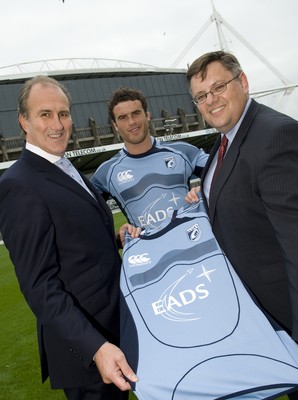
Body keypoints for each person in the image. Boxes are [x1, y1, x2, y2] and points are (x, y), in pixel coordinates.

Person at [0, 75, 138, 400]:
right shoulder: (19, 185)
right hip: (87, 351)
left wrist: (115, 237)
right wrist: (96, 349)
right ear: (24, 121)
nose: (58, 124)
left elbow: (74, 241)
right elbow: (39, 286)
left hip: (113, 326)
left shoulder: (65, 166)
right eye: (45, 114)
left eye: (63, 113)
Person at [185, 50, 298, 399]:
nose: (211, 100)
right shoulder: (224, 142)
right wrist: (201, 198)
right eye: (201, 96)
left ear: (244, 82)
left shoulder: (274, 136)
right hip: (256, 319)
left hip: (286, 319)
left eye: (218, 87)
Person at [90, 87, 208, 230]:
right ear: (115, 125)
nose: (131, 121)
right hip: (150, 251)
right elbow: (84, 216)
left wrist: (204, 191)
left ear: (147, 115)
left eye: (136, 113)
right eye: (123, 117)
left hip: (194, 243)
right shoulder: (106, 172)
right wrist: (116, 237)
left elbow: (224, 171)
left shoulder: (182, 151)